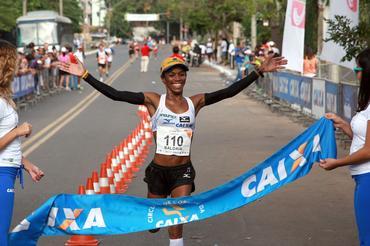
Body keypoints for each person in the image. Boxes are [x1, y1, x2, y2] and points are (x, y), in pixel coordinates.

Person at [58, 54, 286, 246]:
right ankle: (156, 220)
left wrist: (258, 72)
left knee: (177, 217)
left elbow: (228, 92)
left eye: (181, 74)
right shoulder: (153, 101)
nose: (177, 78)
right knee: (155, 225)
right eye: (172, 75)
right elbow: (116, 94)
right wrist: (86, 76)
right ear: (164, 79)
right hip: (158, 171)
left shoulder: (194, 103)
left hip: (182, 172)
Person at [320, 48, 370, 246]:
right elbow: (362, 139)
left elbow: (368, 151)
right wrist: (342, 124)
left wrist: (338, 163)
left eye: (358, 67)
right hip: (363, 178)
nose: (356, 72)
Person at [0, 39, 44, 246]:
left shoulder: (4, 97)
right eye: (14, 59)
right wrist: (18, 130)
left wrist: (26, 164)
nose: (19, 63)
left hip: (7, 170)